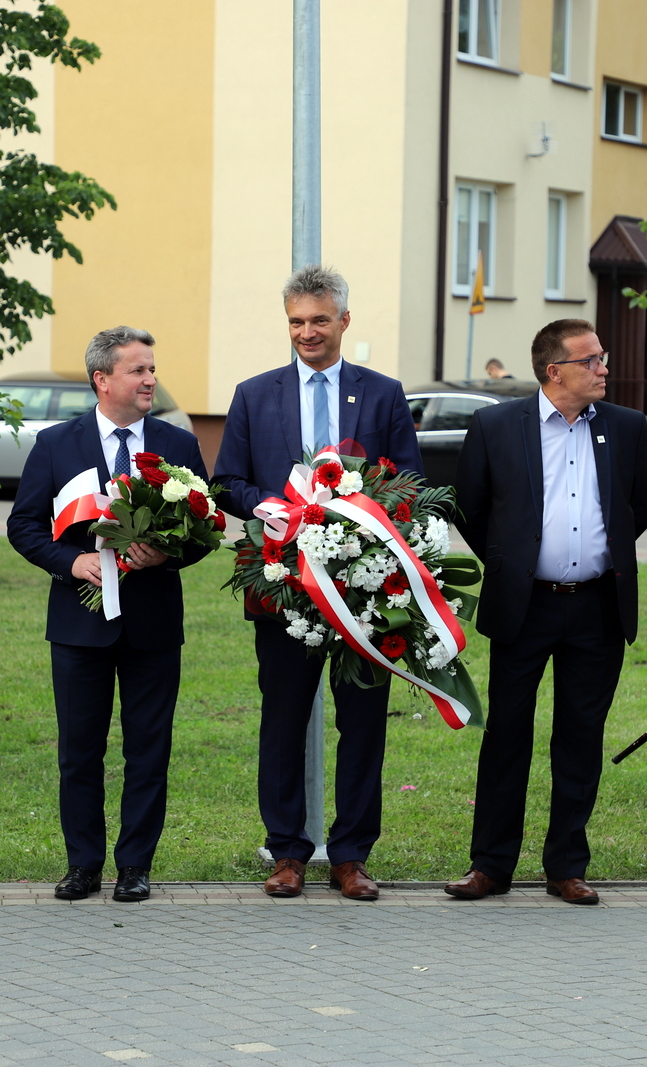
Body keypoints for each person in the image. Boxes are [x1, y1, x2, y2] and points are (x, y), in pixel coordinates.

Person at [214, 265, 420, 901]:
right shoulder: (255, 393)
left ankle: (351, 855)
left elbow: (407, 480)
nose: (307, 332)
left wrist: (370, 522)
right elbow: (229, 482)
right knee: (282, 719)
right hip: (281, 582)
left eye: (319, 320)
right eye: (297, 321)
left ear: (344, 322)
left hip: (365, 587)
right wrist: (269, 506)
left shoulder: (383, 394)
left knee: (363, 720)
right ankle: (287, 853)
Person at [444, 319, 647, 905]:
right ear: (553, 370)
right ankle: (490, 865)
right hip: (524, 606)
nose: (603, 368)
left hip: (597, 607)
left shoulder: (627, 427)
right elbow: (472, 507)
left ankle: (566, 865)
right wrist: (512, 561)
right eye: (591, 360)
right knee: (508, 734)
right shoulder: (495, 425)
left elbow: (637, 509)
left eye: (602, 357)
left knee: (580, 738)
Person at [6, 326, 212, 903]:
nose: (151, 380)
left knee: (148, 749)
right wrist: (71, 564)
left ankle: (135, 868)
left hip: (151, 625)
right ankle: (83, 865)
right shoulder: (55, 444)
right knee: (80, 751)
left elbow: (206, 530)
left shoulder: (178, 445)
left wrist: (167, 553)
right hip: (79, 625)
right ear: (102, 379)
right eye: (138, 370)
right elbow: (24, 526)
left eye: (152, 369)